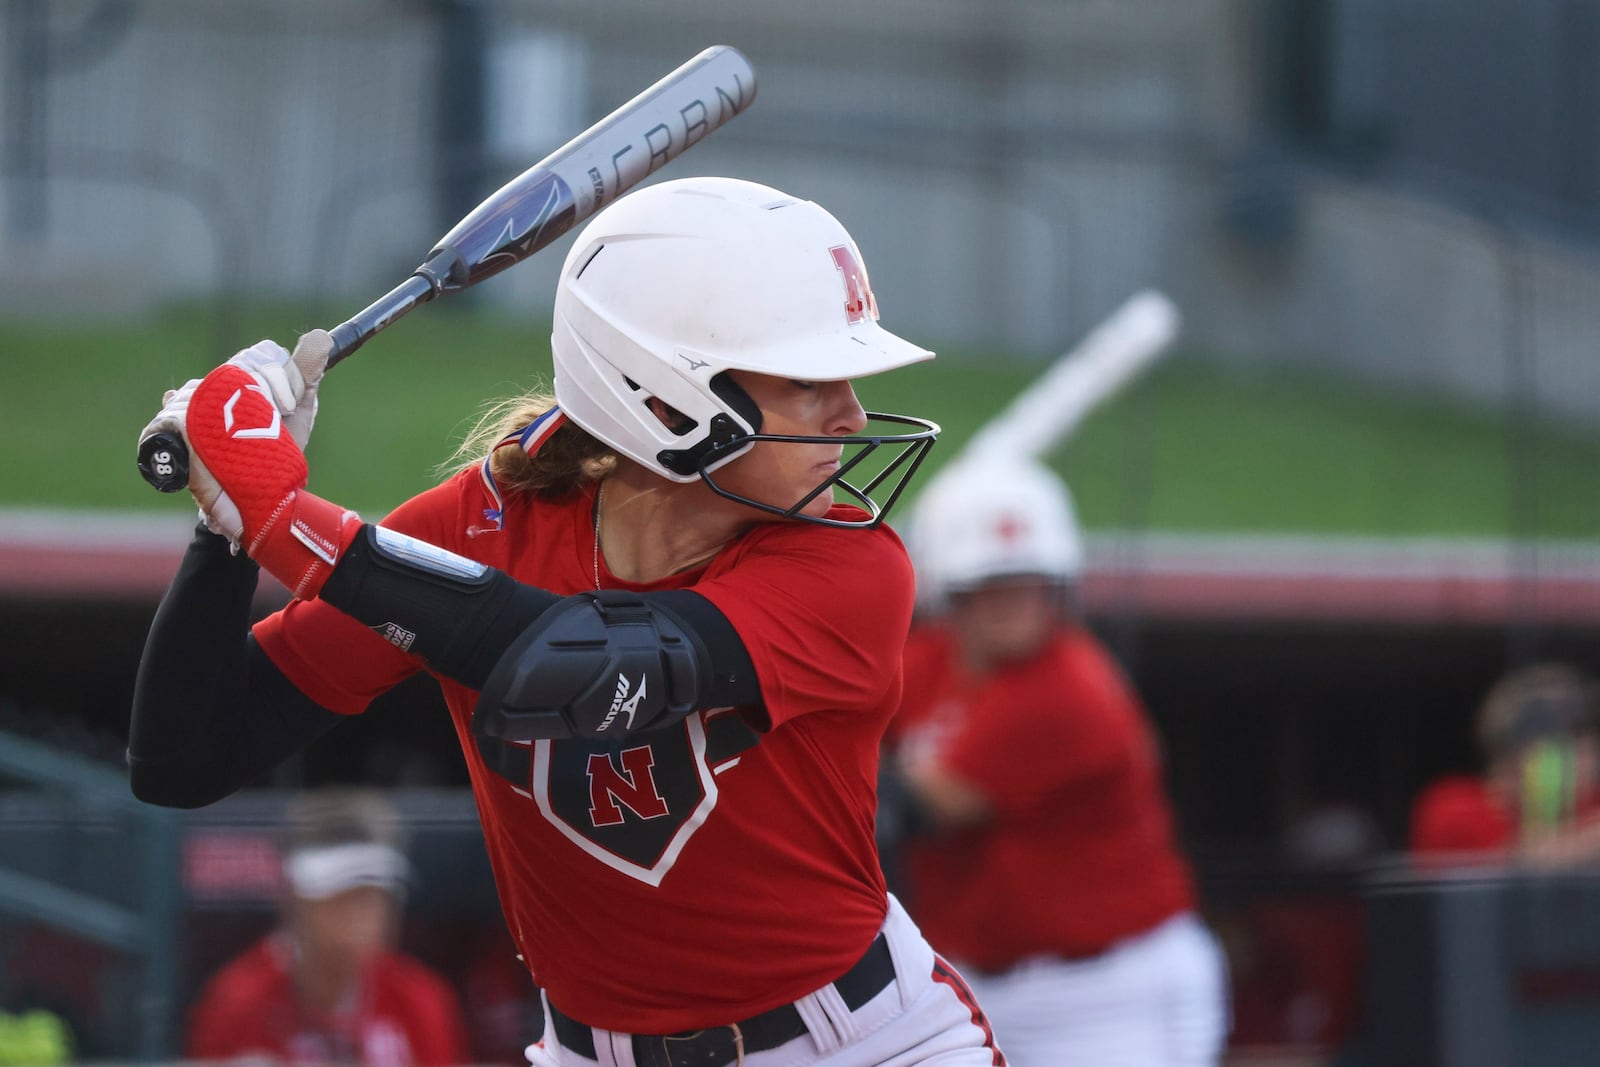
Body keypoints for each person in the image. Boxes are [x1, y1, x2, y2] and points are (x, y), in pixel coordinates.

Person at [130, 176, 1007, 1067]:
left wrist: (286, 519)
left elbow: (582, 668)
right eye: (809, 380)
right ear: (668, 399)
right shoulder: (483, 525)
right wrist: (225, 524)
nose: (852, 413)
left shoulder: (851, 562)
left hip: (855, 1043)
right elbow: (186, 755)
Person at [884, 455, 1229, 1066]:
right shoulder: (927, 661)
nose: (1014, 604)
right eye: (989, 587)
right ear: (952, 593)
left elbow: (927, 807)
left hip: (1109, 993)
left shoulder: (1069, 691)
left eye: (1030, 583)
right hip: (978, 981)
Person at [185, 788, 471, 1066]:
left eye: (374, 895)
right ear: (294, 901)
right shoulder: (238, 1001)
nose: (363, 916)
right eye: (341, 896)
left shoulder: (421, 999)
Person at [1410, 662, 1600, 868]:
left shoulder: (1592, 802)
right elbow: (1502, 880)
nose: (1585, 755)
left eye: (1584, 734)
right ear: (1508, 753)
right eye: (1559, 737)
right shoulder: (1454, 806)